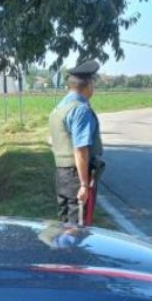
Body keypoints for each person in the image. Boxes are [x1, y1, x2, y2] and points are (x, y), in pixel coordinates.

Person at [49, 59, 103, 224]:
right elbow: (80, 149)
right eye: (93, 82)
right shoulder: (80, 110)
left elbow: (53, 141)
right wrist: (84, 185)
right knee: (78, 231)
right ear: (88, 85)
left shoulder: (59, 108)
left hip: (62, 174)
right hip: (76, 177)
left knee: (65, 227)